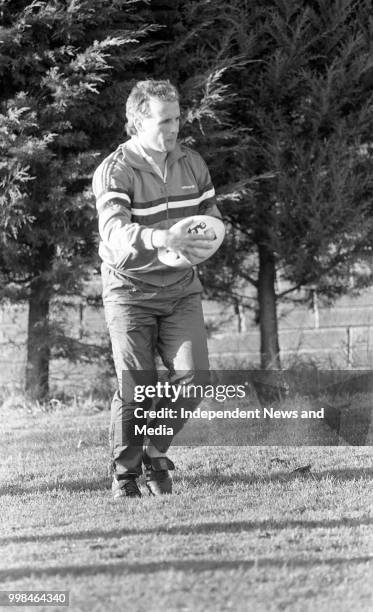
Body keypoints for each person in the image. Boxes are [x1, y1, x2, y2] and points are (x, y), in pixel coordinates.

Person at [92, 79, 222, 500]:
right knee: (137, 386)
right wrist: (160, 238)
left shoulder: (191, 162)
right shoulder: (115, 170)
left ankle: (153, 452)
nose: (174, 128)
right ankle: (125, 475)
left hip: (181, 289)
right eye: (164, 121)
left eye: (178, 118)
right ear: (137, 122)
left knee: (195, 378)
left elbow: (209, 211)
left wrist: (213, 232)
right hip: (130, 291)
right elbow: (113, 233)